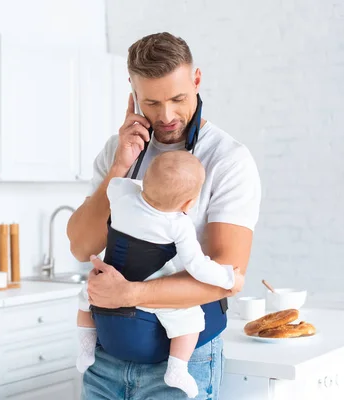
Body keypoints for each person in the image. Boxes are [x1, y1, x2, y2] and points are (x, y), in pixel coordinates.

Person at [67, 32, 261, 399]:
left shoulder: (228, 160)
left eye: (178, 98)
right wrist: (121, 166)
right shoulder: (118, 150)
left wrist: (130, 293)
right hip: (105, 357)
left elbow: (226, 276)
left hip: (183, 361)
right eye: (151, 102)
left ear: (197, 80)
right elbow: (80, 246)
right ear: (132, 91)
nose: (167, 116)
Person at [75, 151, 245, 398]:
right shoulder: (179, 225)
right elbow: (198, 266)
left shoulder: (122, 196)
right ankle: (177, 368)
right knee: (191, 319)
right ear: (188, 204)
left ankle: (85, 348)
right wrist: (229, 278)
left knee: (86, 297)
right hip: (151, 286)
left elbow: (114, 185)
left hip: (108, 278)